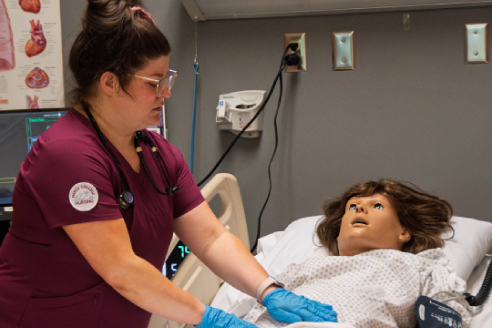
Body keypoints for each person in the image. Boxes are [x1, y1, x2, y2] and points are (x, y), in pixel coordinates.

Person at [0, 1, 337, 327]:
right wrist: (207, 316)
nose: (167, 92)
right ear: (110, 83)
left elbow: (210, 239)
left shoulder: (157, 154)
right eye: (154, 82)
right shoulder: (67, 155)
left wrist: (268, 289)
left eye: (167, 78)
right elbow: (122, 270)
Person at [241, 180, 473, 328]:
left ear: (404, 231)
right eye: (352, 207)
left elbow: (449, 308)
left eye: (377, 206)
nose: (359, 208)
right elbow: (259, 309)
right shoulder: (302, 267)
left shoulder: (421, 265)